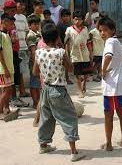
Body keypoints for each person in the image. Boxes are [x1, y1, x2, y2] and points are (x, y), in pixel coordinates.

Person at [34, 23, 85, 162]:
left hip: (46, 89)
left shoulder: (38, 52)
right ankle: (74, 152)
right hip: (58, 90)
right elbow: (70, 69)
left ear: (43, 39)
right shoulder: (60, 52)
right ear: (57, 38)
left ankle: (43, 144)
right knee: (69, 118)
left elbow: (34, 72)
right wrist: (63, 52)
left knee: (47, 118)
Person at [98, 17, 122, 151]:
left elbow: (108, 56)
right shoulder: (116, 41)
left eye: (105, 30)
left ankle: (109, 144)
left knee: (108, 115)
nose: (102, 33)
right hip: (120, 86)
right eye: (100, 30)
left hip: (112, 87)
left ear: (112, 31)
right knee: (121, 113)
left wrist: (103, 70)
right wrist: (120, 62)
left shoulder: (110, 42)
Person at [3, 0, 28, 107]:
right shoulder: (4, 23)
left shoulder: (12, 21)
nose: (14, 12)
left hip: (14, 51)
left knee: (14, 77)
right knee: (8, 79)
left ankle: (12, 99)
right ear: (6, 10)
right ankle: (9, 101)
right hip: (7, 53)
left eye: (14, 10)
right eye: (12, 10)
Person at [65, 11, 91, 98]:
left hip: (85, 52)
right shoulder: (69, 29)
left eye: (80, 19)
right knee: (77, 73)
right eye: (76, 19)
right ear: (73, 20)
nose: (77, 21)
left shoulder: (85, 29)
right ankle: (79, 90)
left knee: (86, 71)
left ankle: (84, 85)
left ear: (83, 20)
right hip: (74, 53)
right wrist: (67, 53)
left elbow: (88, 41)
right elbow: (66, 42)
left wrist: (91, 53)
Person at [0, 14, 20, 122]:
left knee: (7, 90)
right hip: (4, 69)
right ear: (4, 21)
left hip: (9, 67)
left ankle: (4, 109)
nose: (12, 26)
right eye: (11, 23)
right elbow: (0, 53)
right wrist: (6, 69)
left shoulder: (6, 34)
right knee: (6, 90)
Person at [26, 15, 42, 126]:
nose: (36, 26)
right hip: (34, 62)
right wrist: (35, 63)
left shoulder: (38, 34)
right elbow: (33, 51)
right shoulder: (31, 35)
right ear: (30, 25)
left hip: (39, 61)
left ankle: (37, 102)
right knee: (34, 83)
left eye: (37, 24)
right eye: (34, 24)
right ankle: (35, 102)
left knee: (38, 84)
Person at [14, 0, 30, 98]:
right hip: (16, 48)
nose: (22, 7)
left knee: (22, 71)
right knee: (19, 71)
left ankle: (22, 90)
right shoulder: (12, 17)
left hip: (24, 47)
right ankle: (21, 91)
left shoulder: (24, 18)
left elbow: (26, 32)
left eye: (23, 5)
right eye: (20, 4)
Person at [57, 9, 73, 84]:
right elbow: (58, 37)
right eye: (64, 16)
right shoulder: (60, 25)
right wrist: (62, 46)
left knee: (67, 62)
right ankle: (66, 78)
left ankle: (66, 77)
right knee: (64, 62)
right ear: (61, 17)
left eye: (67, 16)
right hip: (62, 46)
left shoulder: (71, 24)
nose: (66, 18)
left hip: (70, 46)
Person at [89, 18, 104, 82]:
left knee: (100, 63)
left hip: (102, 50)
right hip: (96, 51)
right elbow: (89, 39)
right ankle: (92, 73)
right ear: (95, 24)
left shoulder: (102, 30)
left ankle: (99, 75)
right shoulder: (93, 31)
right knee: (97, 63)